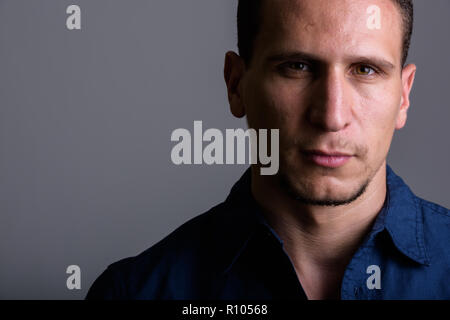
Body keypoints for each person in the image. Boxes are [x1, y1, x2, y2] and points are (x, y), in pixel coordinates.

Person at [86, 0, 450, 300]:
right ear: (236, 85)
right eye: (298, 67)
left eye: (366, 70)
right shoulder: (134, 293)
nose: (331, 116)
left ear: (404, 95)